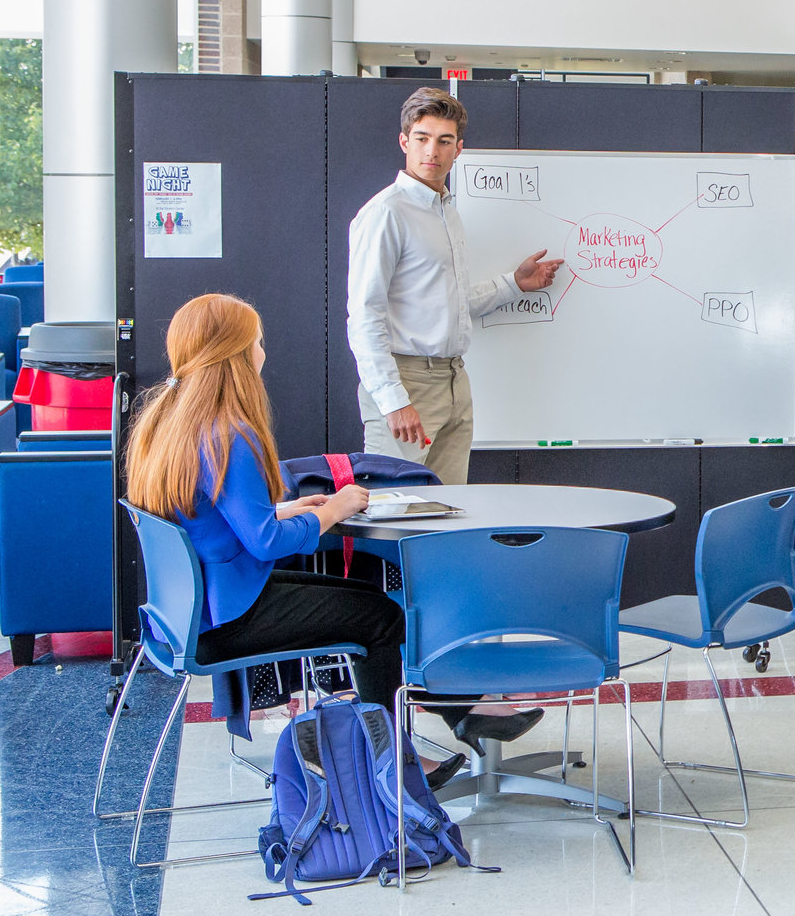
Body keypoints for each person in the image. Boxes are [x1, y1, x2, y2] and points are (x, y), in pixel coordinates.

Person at [128, 293, 541, 790]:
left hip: (194, 613)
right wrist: (333, 509)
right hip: (229, 618)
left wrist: (286, 510)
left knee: (373, 602)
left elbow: (208, 517)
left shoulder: (169, 423)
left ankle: (456, 713)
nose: (263, 352)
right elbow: (266, 544)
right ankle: (395, 760)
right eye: (258, 342)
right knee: (381, 618)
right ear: (236, 355)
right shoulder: (230, 434)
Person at [348, 87, 563, 486]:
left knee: (448, 506)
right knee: (395, 507)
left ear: (458, 149)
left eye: (444, 141)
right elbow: (364, 315)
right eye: (422, 138)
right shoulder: (386, 214)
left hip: (453, 380)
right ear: (404, 142)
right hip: (407, 380)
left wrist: (514, 284)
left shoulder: (447, 212)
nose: (433, 151)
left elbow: (452, 302)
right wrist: (393, 401)